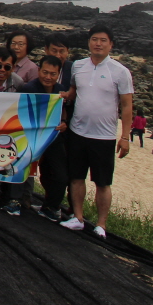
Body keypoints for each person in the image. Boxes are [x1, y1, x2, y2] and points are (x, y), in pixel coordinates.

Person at [62, 25, 134, 239]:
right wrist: (60, 97)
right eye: (94, 39)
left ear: (111, 44)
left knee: (103, 182)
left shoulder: (120, 71)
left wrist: (125, 137)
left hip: (104, 136)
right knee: (76, 177)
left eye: (103, 40)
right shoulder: (78, 66)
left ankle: (101, 224)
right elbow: (73, 91)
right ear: (89, 42)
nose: (98, 44)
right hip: (77, 131)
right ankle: (78, 217)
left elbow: (127, 106)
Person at [21, 55, 71, 221]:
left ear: (59, 74)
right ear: (39, 70)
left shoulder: (61, 90)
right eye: (45, 72)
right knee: (22, 168)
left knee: (60, 175)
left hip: (53, 136)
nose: (48, 77)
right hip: (30, 136)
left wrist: (64, 122)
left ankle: (51, 207)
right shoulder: (29, 88)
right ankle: (15, 199)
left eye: (53, 74)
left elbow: (64, 111)